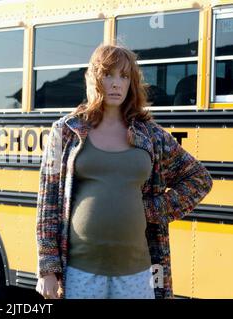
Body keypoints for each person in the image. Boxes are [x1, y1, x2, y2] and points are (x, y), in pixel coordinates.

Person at [35, 44, 213, 299]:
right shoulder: (66, 132)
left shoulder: (150, 135)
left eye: (124, 76)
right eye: (108, 74)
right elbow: (48, 201)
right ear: (95, 79)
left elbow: (199, 179)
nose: (116, 83)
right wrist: (47, 269)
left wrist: (152, 209)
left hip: (137, 273)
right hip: (81, 271)